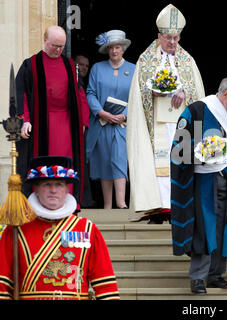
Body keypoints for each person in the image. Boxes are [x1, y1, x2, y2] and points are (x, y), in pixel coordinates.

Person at [0, 156, 120, 300]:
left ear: (67, 190)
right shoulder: (16, 229)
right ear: (36, 189)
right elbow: (2, 284)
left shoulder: (87, 229)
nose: (53, 190)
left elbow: (105, 285)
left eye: (59, 184)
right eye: (47, 184)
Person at [127, 3, 205, 223]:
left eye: (176, 38)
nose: (172, 42)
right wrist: (152, 92)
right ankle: (160, 207)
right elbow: (139, 92)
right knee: (158, 164)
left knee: (179, 162)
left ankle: (179, 206)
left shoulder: (187, 60)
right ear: (159, 35)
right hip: (156, 124)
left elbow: (196, 90)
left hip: (180, 123)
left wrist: (184, 91)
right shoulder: (146, 60)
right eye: (168, 38)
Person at [170, 77, 227, 294]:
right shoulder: (196, 111)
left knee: (224, 224)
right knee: (204, 227)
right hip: (202, 178)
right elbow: (179, 147)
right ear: (224, 94)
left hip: (226, 175)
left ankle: (216, 274)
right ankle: (198, 278)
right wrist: (201, 152)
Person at [15, 25, 90, 210]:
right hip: (41, 125)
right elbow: (20, 94)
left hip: (66, 125)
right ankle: (40, 204)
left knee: (66, 165)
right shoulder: (30, 64)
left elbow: (81, 94)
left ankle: (69, 203)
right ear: (44, 40)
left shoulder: (70, 66)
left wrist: (83, 121)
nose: (58, 50)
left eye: (61, 47)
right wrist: (24, 119)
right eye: (54, 45)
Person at [86, 30, 135, 209]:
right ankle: (107, 205)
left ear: (123, 49)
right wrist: (101, 112)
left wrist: (125, 114)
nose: (114, 51)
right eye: (111, 48)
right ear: (107, 50)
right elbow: (90, 93)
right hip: (102, 123)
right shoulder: (97, 68)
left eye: (117, 47)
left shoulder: (133, 69)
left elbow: (136, 96)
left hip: (122, 124)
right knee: (104, 160)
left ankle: (121, 203)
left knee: (120, 159)